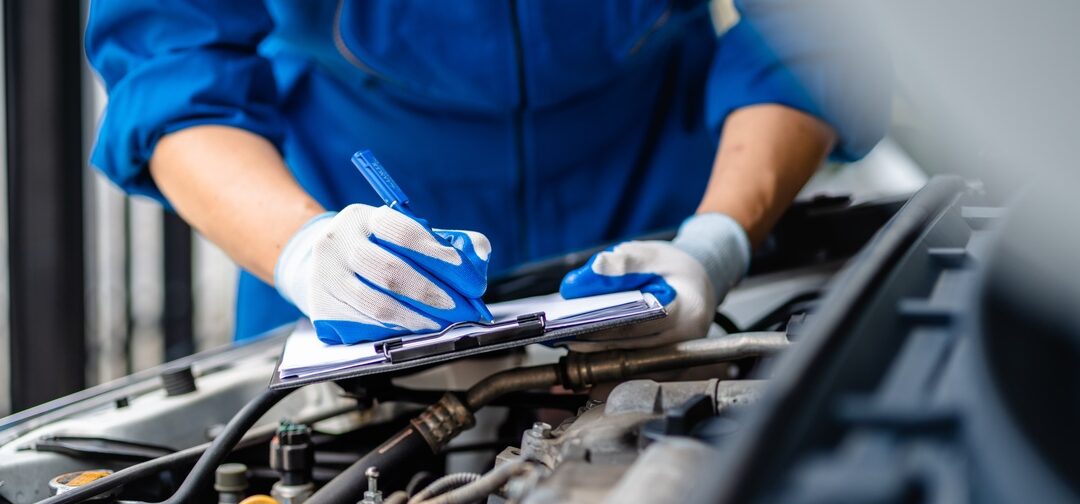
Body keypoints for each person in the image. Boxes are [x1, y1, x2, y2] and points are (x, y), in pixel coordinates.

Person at [85, 1, 888, 348]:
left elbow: (817, 29)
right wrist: (302, 250)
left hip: (666, 184)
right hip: (336, 208)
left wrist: (719, 237)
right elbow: (171, 61)